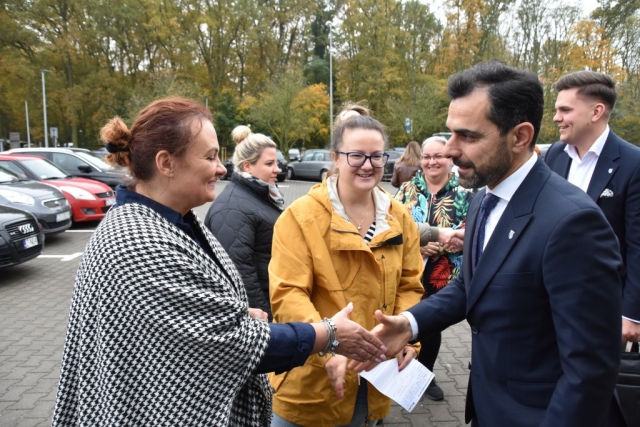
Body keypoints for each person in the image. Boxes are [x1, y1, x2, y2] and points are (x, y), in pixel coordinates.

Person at [51, 98, 388, 427]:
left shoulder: (172, 221)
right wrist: (327, 333)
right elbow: (231, 342)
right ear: (166, 163)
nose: (221, 168)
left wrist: (239, 314)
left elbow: (195, 316)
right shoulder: (137, 242)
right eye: (210, 157)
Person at [350, 61, 625, 426]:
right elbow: (470, 286)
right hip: (488, 407)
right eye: (451, 133)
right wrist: (409, 323)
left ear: (520, 137)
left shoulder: (574, 223)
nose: (449, 150)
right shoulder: (483, 199)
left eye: (468, 136)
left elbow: (590, 372)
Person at [268, 110, 424, 426]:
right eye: (356, 156)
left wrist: (406, 335)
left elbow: (410, 284)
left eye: (376, 157)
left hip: (374, 378)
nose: (367, 165)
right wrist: (327, 341)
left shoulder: (400, 217)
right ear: (336, 158)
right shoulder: (300, 217)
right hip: (312, 380)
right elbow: (288, 294)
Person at [545, 70, 640, 344]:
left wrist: (632, 313)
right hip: (550, 301)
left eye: (565, 109)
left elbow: (637, 245)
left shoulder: (633, 164)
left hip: (602, 307)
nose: (556, 117)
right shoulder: (553, 156)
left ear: (596, 112)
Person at [394, 135, 473, 401]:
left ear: (450, 159)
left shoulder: (464, 192)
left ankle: (424, 375)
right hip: (407, 270)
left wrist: (436, 246)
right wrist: (417, 246)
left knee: (430, 326)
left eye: (438, 156)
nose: (432, 162)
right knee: (401, 319)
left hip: (443, 273)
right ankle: (393, 376)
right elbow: (393, 228)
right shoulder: (407, 190)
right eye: (427, 157)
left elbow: (469, 233)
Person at [205, 125, 283, 321]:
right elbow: (240, 271)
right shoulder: (232, 208)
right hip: (260, 316)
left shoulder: (260, 195)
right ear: (247, 166)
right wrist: (267, 319)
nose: (277, 169)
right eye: (270, 164)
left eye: (277, 162)